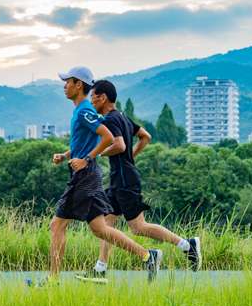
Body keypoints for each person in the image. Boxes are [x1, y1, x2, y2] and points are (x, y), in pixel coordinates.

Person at [37, 67, 162, 286]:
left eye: (68, 81)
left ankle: (53, 280)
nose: (65, 85)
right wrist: (66, 154)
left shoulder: (85, 110)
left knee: (58, 225)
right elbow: (89, 140)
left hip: (85, 176)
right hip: (85, 175)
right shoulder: (82, 111)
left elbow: (107, 137)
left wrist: (86, 159)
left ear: (79, 85)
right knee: (97, 228)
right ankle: (147, 256)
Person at [76, 79, 201, 283]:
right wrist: (131, 158)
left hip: (125, 181)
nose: (91, 102)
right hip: (121, 179)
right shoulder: (124, 117)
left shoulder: (109, 120)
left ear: (102, 98)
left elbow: (119, 145)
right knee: (107, 222)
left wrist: (99, 154)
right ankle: (100, 268)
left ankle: (187, 245)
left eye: (93, 98)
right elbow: (146, 136)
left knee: (138, 227)